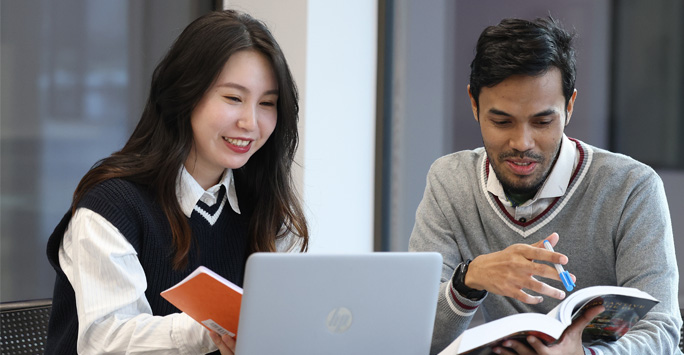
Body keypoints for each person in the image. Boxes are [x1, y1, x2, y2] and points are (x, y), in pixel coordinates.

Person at [409, 17, 682, 355]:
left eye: (542, 121)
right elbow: (418, 335)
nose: (522, 142)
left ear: (569, 105)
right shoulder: (450, 182)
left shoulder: (631, 187)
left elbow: (662, 332)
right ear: (473, 103)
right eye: (501, 121)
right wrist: (468, 280)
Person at [45, 9, 308, 354]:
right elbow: (106, 340)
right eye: (233, 98)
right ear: (185, 94)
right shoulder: (111, 207)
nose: (251, 122)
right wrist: (217, 328)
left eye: (267, 103)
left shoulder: (267, 207)